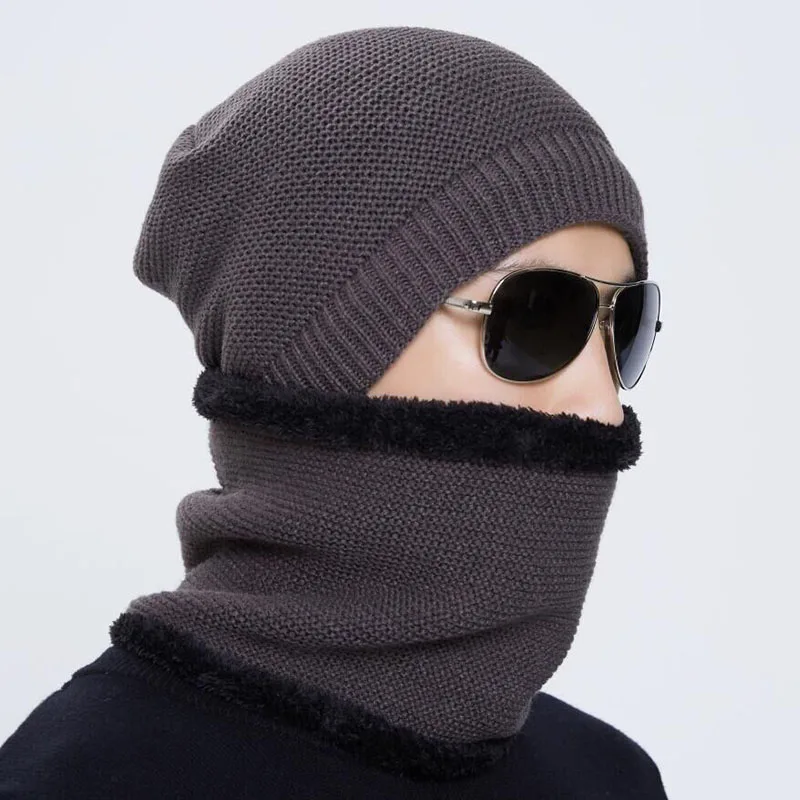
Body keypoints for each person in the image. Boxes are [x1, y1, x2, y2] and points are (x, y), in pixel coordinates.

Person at [0, 26, 668, 799]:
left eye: (624, 326)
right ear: (316, 361)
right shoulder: (86, 779)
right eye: (538, 315)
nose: (601, 403)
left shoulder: (607, 776)